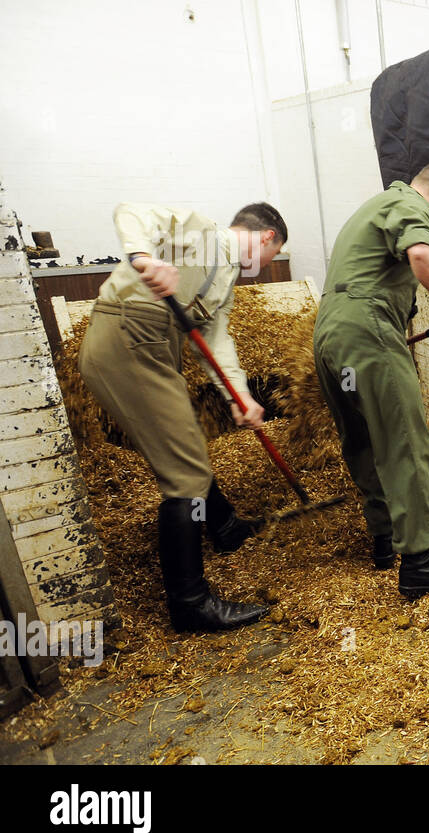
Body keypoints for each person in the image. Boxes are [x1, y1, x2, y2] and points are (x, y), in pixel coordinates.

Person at [79, 202, 287, 632]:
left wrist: (238, 395)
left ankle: (225, 528)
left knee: (188, 447)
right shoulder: (204, 234)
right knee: (186, 477)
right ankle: (190, 603)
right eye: (274, 255)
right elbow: (131, 213)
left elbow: (215, 337)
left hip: (155, 347)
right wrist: (143, 258)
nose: (268, 266)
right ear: (267, 237)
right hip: (127, 339)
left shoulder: (224, 280)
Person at [313, 162, 429, 601]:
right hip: (366, 330)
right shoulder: (409, 203)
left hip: (331, 333)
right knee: (405, 439)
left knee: (364, 437)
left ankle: (384, 540)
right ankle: (421, 563)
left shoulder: (374, 206)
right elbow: (422, 254)